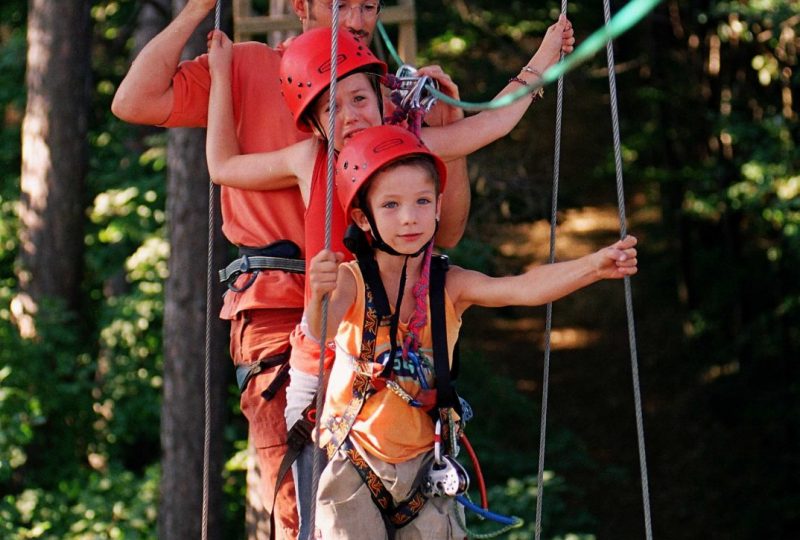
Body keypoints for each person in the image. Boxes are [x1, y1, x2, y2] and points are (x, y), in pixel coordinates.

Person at [110, 1, 472, 537]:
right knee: (300, 497)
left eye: (368, 5)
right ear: (301, 5)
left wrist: (450, 135)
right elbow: (134, 101)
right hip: (279, 310)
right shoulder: (251, 67)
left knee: (390, 503)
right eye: (340, 4)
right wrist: (196, 12)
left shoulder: (380, 97)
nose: (357, 18)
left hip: (372, 320)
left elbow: (443, 234)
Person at [205, 17, 574, 536]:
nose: (351, 116)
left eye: (359, 99)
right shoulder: (308, 157)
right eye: (332, 108)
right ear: (313, 124)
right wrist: (221, 76)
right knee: (302, 510)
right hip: (333, 348)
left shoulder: (400, 151)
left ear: (381, 97)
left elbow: (492, 122)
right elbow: (223, 165)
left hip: (391, 350)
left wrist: (545, 53)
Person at [303, 124, 638, 539]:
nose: (409, 217)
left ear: (439, 207)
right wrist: (318, 293)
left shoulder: (450, 284)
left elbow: (519, 288)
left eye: (422, 201)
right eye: (390, 205)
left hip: (426, 469)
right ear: (362, 217)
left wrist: (594, 266)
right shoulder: (352, 281)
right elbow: (319, 329)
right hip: (356, 464)